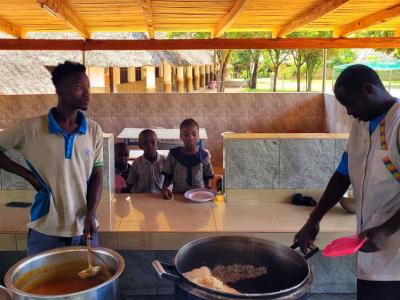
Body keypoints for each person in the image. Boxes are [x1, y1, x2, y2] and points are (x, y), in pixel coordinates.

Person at [294, 64, 400, 299]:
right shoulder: (361, 124)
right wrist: (314, 219)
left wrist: (387, 229)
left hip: (395, 252)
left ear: (368, 89)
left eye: (350, 104)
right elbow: (343, 174)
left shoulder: (398, 123)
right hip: (370, 241)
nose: (349, 112)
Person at [0, 61, 103, 256]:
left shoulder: (93, 130)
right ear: (60, 91)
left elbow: (97, 175)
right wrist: (30, 177)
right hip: (45, 228)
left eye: (88, 87)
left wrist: (91, 213)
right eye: (79, 88)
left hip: (84, 226)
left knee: (87, 283)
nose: (87, 94)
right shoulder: (29, 129)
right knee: (43, 284)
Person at [161, 118, 214, 199]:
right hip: (178, 195)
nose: (190, 138)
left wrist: (209, 189)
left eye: (194, 134)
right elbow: (168, 175)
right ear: (181, 137)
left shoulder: (204, 156)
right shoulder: (173, 154)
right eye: (186, 135)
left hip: (199, 195)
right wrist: (164, 188)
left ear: (198, 136)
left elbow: (208, 176)